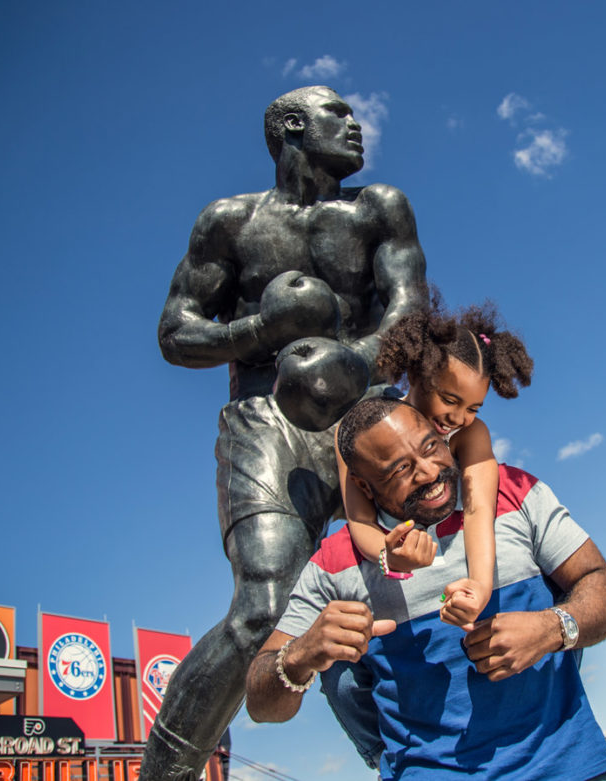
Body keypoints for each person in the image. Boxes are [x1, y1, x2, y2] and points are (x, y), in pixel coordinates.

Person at [144, 86, 428, 780]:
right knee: (263, 607)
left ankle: (439, 755)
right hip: (266, 418)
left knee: (437, 566)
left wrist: (348, 361)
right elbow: (176, 332)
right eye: (341, 116)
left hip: (365, 413)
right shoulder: (230, 222)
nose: (358, 129)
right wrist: (262, 331)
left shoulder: (376, 208)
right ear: (293, 126)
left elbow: (408, 307)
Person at [245, 397, 606, 780]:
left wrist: (551, 628)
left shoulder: (513, 493)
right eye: (400, 469)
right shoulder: (333, 564)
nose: (429, 473)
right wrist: (300, 655)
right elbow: (261, 704)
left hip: (575, 770)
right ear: (363, 485)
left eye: (431, 447)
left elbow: (604, 589)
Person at [337, 301, 533, 629]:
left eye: (474, 407)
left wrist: (480, 584)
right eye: (450, 400)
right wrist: (389, 557)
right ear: (417, 375)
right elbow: (359, 520)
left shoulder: (469, 434)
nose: (459, 418)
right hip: (391, 599)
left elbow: (477, 510)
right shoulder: (363, 433)